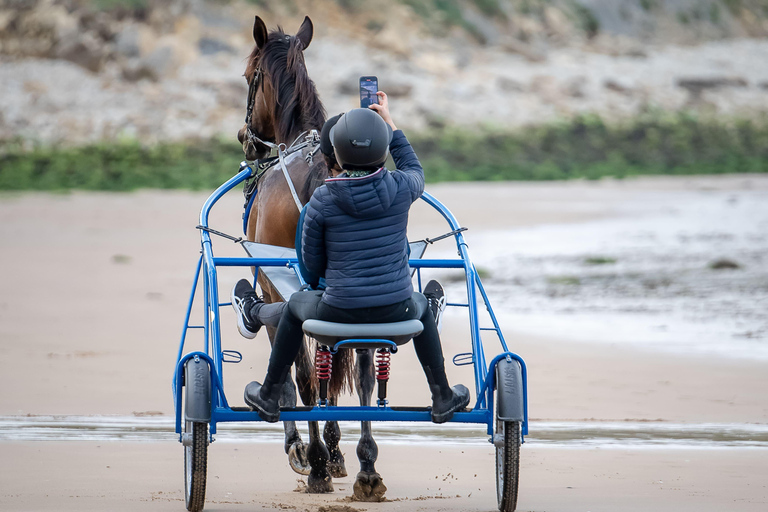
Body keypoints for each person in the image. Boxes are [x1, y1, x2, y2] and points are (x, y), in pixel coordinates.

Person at [231, 91, 469, 424]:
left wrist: (321, 284)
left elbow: (310, 270)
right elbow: (413, 167)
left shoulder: (322, 201)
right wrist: (389, 121)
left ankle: (269, 393)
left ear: (337, 155)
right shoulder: (403, 187)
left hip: (335, 313)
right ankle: (442, 396)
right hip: (397, 315)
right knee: (424, 304)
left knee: (298, 302)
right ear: (383, 151)